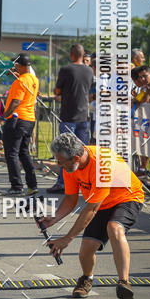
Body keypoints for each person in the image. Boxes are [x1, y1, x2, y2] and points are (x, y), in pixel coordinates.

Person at [42, 132, 144, 299]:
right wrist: (52, 219)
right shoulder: (70, 167)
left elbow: (91, 209)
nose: (58, 165)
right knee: (86, 249)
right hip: (102, 202)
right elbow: (70, 199)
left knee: (114, 228)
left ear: (76, 158)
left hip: (127, 197)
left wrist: (67, 238)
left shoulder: (102, 164)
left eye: (60, 162)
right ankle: (87, 278)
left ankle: (124, 282)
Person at [48, 42, 94, 193]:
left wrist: (61, 92)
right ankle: (84, 183)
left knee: (64, 152)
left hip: (68, 116)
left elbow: (57, 90)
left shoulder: (66, 69)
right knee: (82, 153)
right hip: (84, 116)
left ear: (72, 54)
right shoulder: (89, 70)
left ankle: (63, 184)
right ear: (83, 55)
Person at [1, 54, 39, 194]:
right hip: (29, 119)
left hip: (17, 119)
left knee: (12, 153)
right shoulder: (34, 79)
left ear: (21, 66)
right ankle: (32, 185)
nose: (14, 67)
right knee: (24, 152)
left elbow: (16, 101)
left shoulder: (20, 81)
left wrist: (4, 116)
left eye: (16, 65)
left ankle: (16, 186)